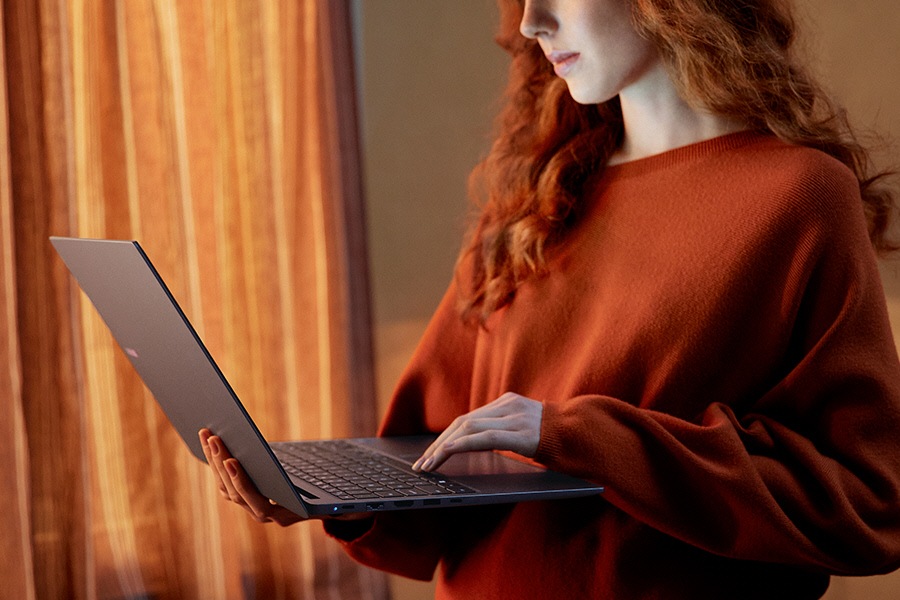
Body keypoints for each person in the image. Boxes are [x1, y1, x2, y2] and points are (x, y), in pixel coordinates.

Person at [200, 0, 900, 597]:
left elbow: (867, 504)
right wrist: (326, 497)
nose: (533, 21)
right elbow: (432, 475)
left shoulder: (799, 199)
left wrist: (581, 437)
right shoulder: (534, 206)